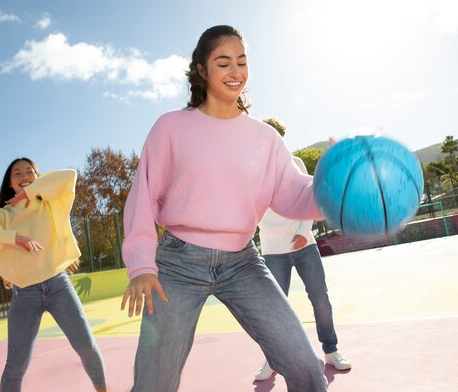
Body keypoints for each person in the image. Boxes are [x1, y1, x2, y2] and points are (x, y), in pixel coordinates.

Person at [120, 25, 329, 392]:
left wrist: (335, 184)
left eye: (242, 62)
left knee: (307, 368)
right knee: (153, 384)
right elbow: (142, 196)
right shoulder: (171, 127)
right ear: (201, 70)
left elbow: (296, 195)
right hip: (177, 265)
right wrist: (141, 264)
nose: (236, 72)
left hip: (243, 263)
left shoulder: (265, 138)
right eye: (223, 62)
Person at [0, 158, 108, 392]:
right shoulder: (4, 215)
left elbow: (69, 175)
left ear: (38, 177)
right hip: (25, 294)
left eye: (30, 171)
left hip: (58, 285)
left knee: (86, 347)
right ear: (10, 183)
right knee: (16, 366)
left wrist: (32, 192)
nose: (24, 176)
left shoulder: (50, 203)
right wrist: (12, 237)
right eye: (17, 173)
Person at [253, 118, 351, 381]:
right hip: (273, 252)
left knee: (320, 299)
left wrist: (302, 232)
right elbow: (254, 213)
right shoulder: (252, 172)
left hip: (304, 246)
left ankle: (331, 351)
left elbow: (310, 196)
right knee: (274, 309)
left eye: (279, 136)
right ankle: (272, 360)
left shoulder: (295, 163)